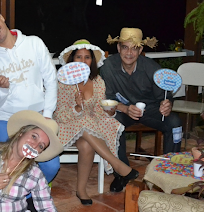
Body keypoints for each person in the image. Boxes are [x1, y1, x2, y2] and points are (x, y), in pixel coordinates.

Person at [0, 6, 60, 186]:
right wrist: (3, 89)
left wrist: (47, 116)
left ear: (2, 17)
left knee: (51, 165)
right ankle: (18, 197)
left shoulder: (34, 43)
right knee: (11, 164)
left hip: (37, 118)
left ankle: (30, 194)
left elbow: (51, 80)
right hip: (4, 119)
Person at [54, 40, 138, 202]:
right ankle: (117, 164)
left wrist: (109, 111)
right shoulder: (63, 83)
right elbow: (59, 115)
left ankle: (81, 191)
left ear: (92, 60)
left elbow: (99, 111)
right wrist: (77, 107)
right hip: (66, 126)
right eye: (79, 57)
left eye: (87, 57)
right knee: (85, 119)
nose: (83, 61)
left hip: (89, 130)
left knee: (87, 144)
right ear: (72, 59)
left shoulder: (98, 81)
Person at [100, 28, 183, 191]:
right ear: (118, 48)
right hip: (122, 110)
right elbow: (106, 99)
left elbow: (165, 96)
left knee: (175, 123)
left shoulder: (152, 68)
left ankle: (170, 170)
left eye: (134, 48)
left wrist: (167, 105)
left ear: (140, 50)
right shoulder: (108, 66)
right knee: (112, 123)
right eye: (125, 47)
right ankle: (122, 173)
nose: (129, 53)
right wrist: (124, 108)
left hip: (150, 109)